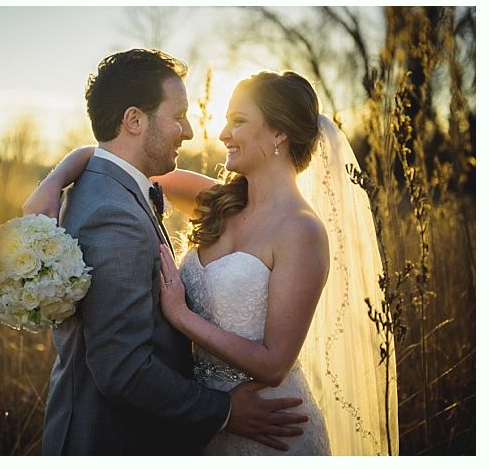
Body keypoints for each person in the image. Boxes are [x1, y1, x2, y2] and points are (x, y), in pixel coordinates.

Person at [25, 69, 396, 454]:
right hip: (200, 422)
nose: (222, 134)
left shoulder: (302, 232)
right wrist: (55, 181)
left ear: (278, 134)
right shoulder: (220, 203)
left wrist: (181, 314)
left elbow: (273, 365)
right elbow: (120, 162)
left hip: (266, 427)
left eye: (238, 121)